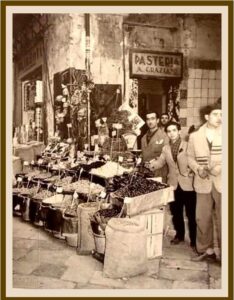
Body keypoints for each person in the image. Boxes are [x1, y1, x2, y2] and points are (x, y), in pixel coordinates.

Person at [146, 121, 196, 249]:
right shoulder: (166, 148)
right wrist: (150, 165)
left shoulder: (188, 145)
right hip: (173, 183)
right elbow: (161, 162)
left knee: (191, 213)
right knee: (176, 211)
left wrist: (192, 171)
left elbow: (193, 161)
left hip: (188, 183)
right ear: (167, 133)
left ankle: (194, 240)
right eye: (169, 131)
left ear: (179, 131)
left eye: (174, 130)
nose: (172, 133)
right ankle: (179, 235)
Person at [187, 101, 222, 262]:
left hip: (222, 181)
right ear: (207, 116)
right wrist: (197, 169)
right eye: (216, 114)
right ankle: (205, 250)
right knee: (202, 217)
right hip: (202, 182)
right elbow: (189, 157)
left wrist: (221, 167)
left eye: (222, 114)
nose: (219, 117)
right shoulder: (194, 136)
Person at [141, 112, 168, 182]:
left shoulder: (164, 136)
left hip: (159, 173)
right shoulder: (143, 138)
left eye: (152, 119)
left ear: (157, 120)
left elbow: (166, 156)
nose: (150, 122)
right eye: (148, 119)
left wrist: (155, 163)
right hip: (145, 173)